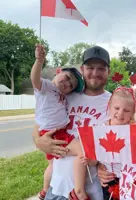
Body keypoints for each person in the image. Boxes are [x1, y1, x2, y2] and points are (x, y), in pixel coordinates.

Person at [32, 46, 111, 200]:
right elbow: (40, 123)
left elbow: (119, 144)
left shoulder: (114, 103)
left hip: (90, 192)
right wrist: (39, 141)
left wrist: (102, 165)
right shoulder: (66, 94)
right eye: (90, 68)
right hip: (56, 189)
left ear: (108, 71)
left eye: (101, 68)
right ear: (82, 69)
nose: (95, 73)